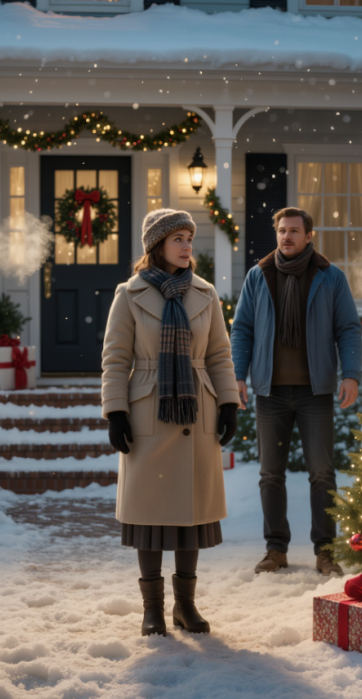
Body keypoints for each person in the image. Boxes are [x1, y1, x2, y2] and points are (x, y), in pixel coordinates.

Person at [101, 208, 240, 637]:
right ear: (156, 245)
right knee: (149, 517)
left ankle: (186, 606)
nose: (186, 246)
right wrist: (116, 411)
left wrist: (230, 403)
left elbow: (219, 354)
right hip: (148, 410)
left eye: (189, 238)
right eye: (177, 238)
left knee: (191, 516)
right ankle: (153, 610)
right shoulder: (130, 294)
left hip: (197, 409)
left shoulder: (205, 293)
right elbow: (115, 357)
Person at [230, 207, 362, 576]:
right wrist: (238, 374)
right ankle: (276, 549)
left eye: (293, 231)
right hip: (269, 392)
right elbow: (242, 329)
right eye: (281, 231)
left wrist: (350, 374)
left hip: (314, 393)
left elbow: (348, 328)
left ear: (308, 236)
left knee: (322, 473)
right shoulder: (259, 276)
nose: (286, 237)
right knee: (270, 474)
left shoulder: (330, 277)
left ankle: (326, 551)